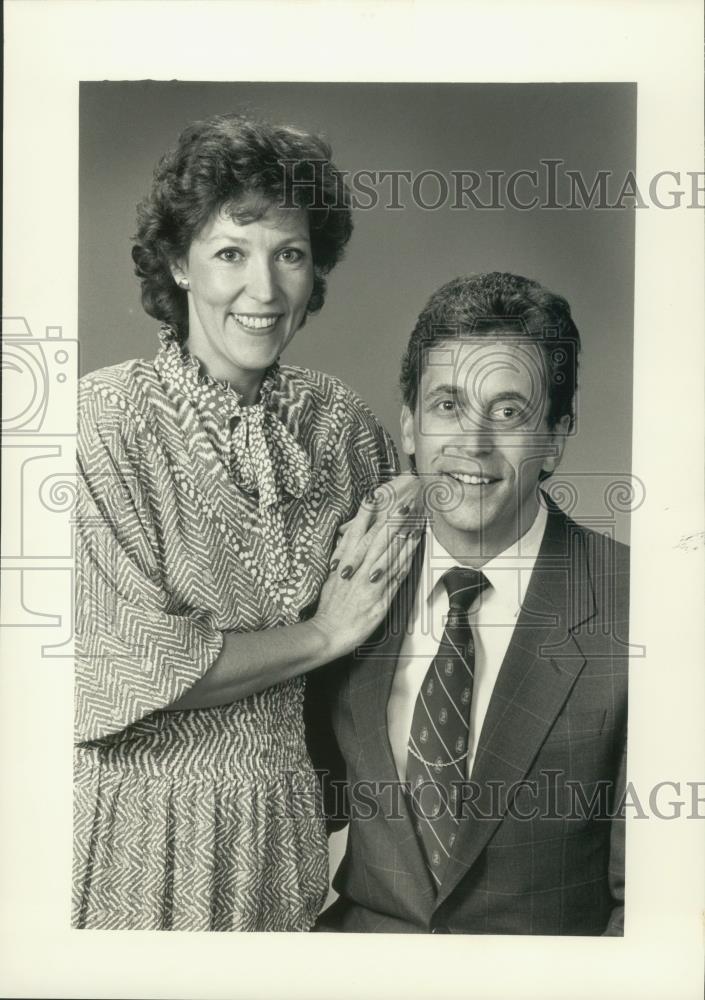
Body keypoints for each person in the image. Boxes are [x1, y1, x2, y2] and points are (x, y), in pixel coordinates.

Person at [73, 112, 420, 932]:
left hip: (285, 828)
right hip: (136, 827)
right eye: (230, 251)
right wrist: (321, 635)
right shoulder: (102, 421)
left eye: (289, 255)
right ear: (177, 263)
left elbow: (400, 617)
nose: (263, 291)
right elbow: (125, 668)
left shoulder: (339, 426)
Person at [307, 271, 629, 935]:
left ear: (556, 437)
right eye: (448, 406)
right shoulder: (347, 577)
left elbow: (652, 912)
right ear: (408, 424)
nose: (472, 444)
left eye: (508, 413)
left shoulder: (642, 608)